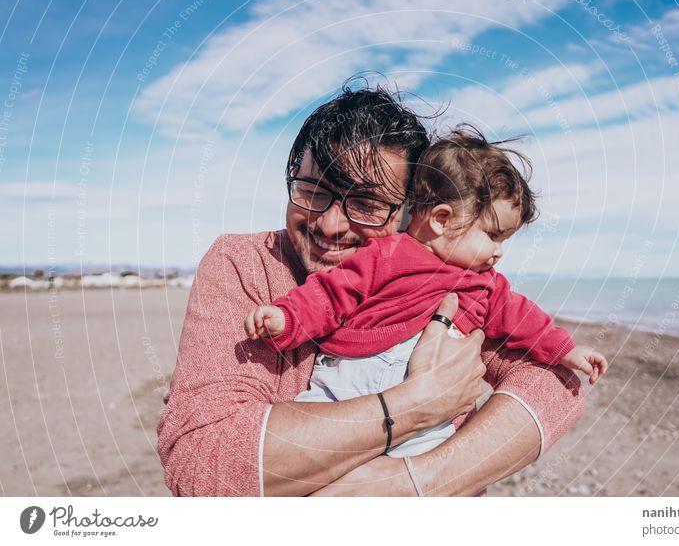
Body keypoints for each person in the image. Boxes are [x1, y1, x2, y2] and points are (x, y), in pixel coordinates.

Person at [157, 81, 584, 496]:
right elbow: (204, 463)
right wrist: (415, 404)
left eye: (367, 204)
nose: (329, 224)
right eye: (312, 190)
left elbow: (555, 385)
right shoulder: (246, 264)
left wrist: (414, 482)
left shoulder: (439, 281)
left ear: (410, 214)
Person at [243, 129, 607, 461]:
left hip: (428, 420)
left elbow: (523, 319)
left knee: (433, 472)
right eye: (493, 235)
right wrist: (286, 318)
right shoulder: (389, 254)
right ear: (442, 219)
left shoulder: (486, 283)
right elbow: (331, 294)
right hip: (347, 382)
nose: (499, 252)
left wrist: (565, 350)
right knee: (304, 451)